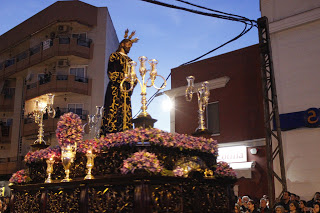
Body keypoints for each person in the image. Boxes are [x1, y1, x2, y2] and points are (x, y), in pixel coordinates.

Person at [101, 29, 138, 134]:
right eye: (128, 44)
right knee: (113, 113)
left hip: (126, 91)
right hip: (115, 90)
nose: (130, 46)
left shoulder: (131, 61)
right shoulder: (114, 56)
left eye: (131, 45)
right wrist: (124, 78)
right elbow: (111, 73)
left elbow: (134, 77)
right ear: (122, 44)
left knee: (126, 114)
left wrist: (133, 81)